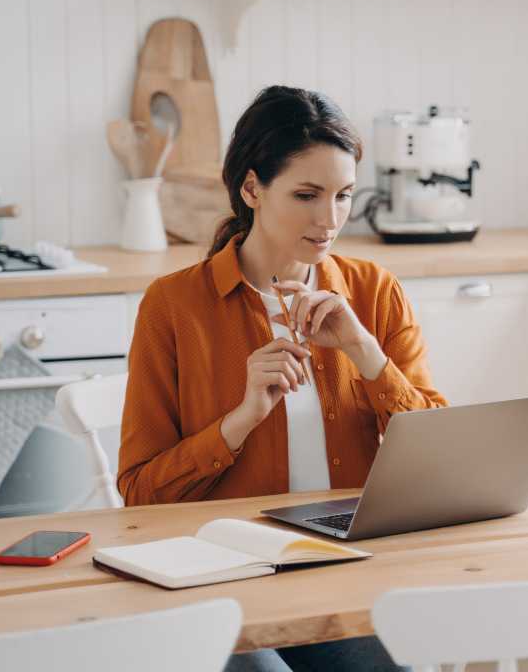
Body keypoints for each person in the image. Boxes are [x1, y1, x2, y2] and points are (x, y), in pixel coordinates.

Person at [117, 86, 446, 671]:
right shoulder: (172, 306)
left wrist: (365, 353)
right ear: (251, 189)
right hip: (223, 581)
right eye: (306, 195)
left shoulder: (374, 292)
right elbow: (141, 494)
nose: (330, 220)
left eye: (344, 196)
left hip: (350, 575)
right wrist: (240, 420)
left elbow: (443, 462)